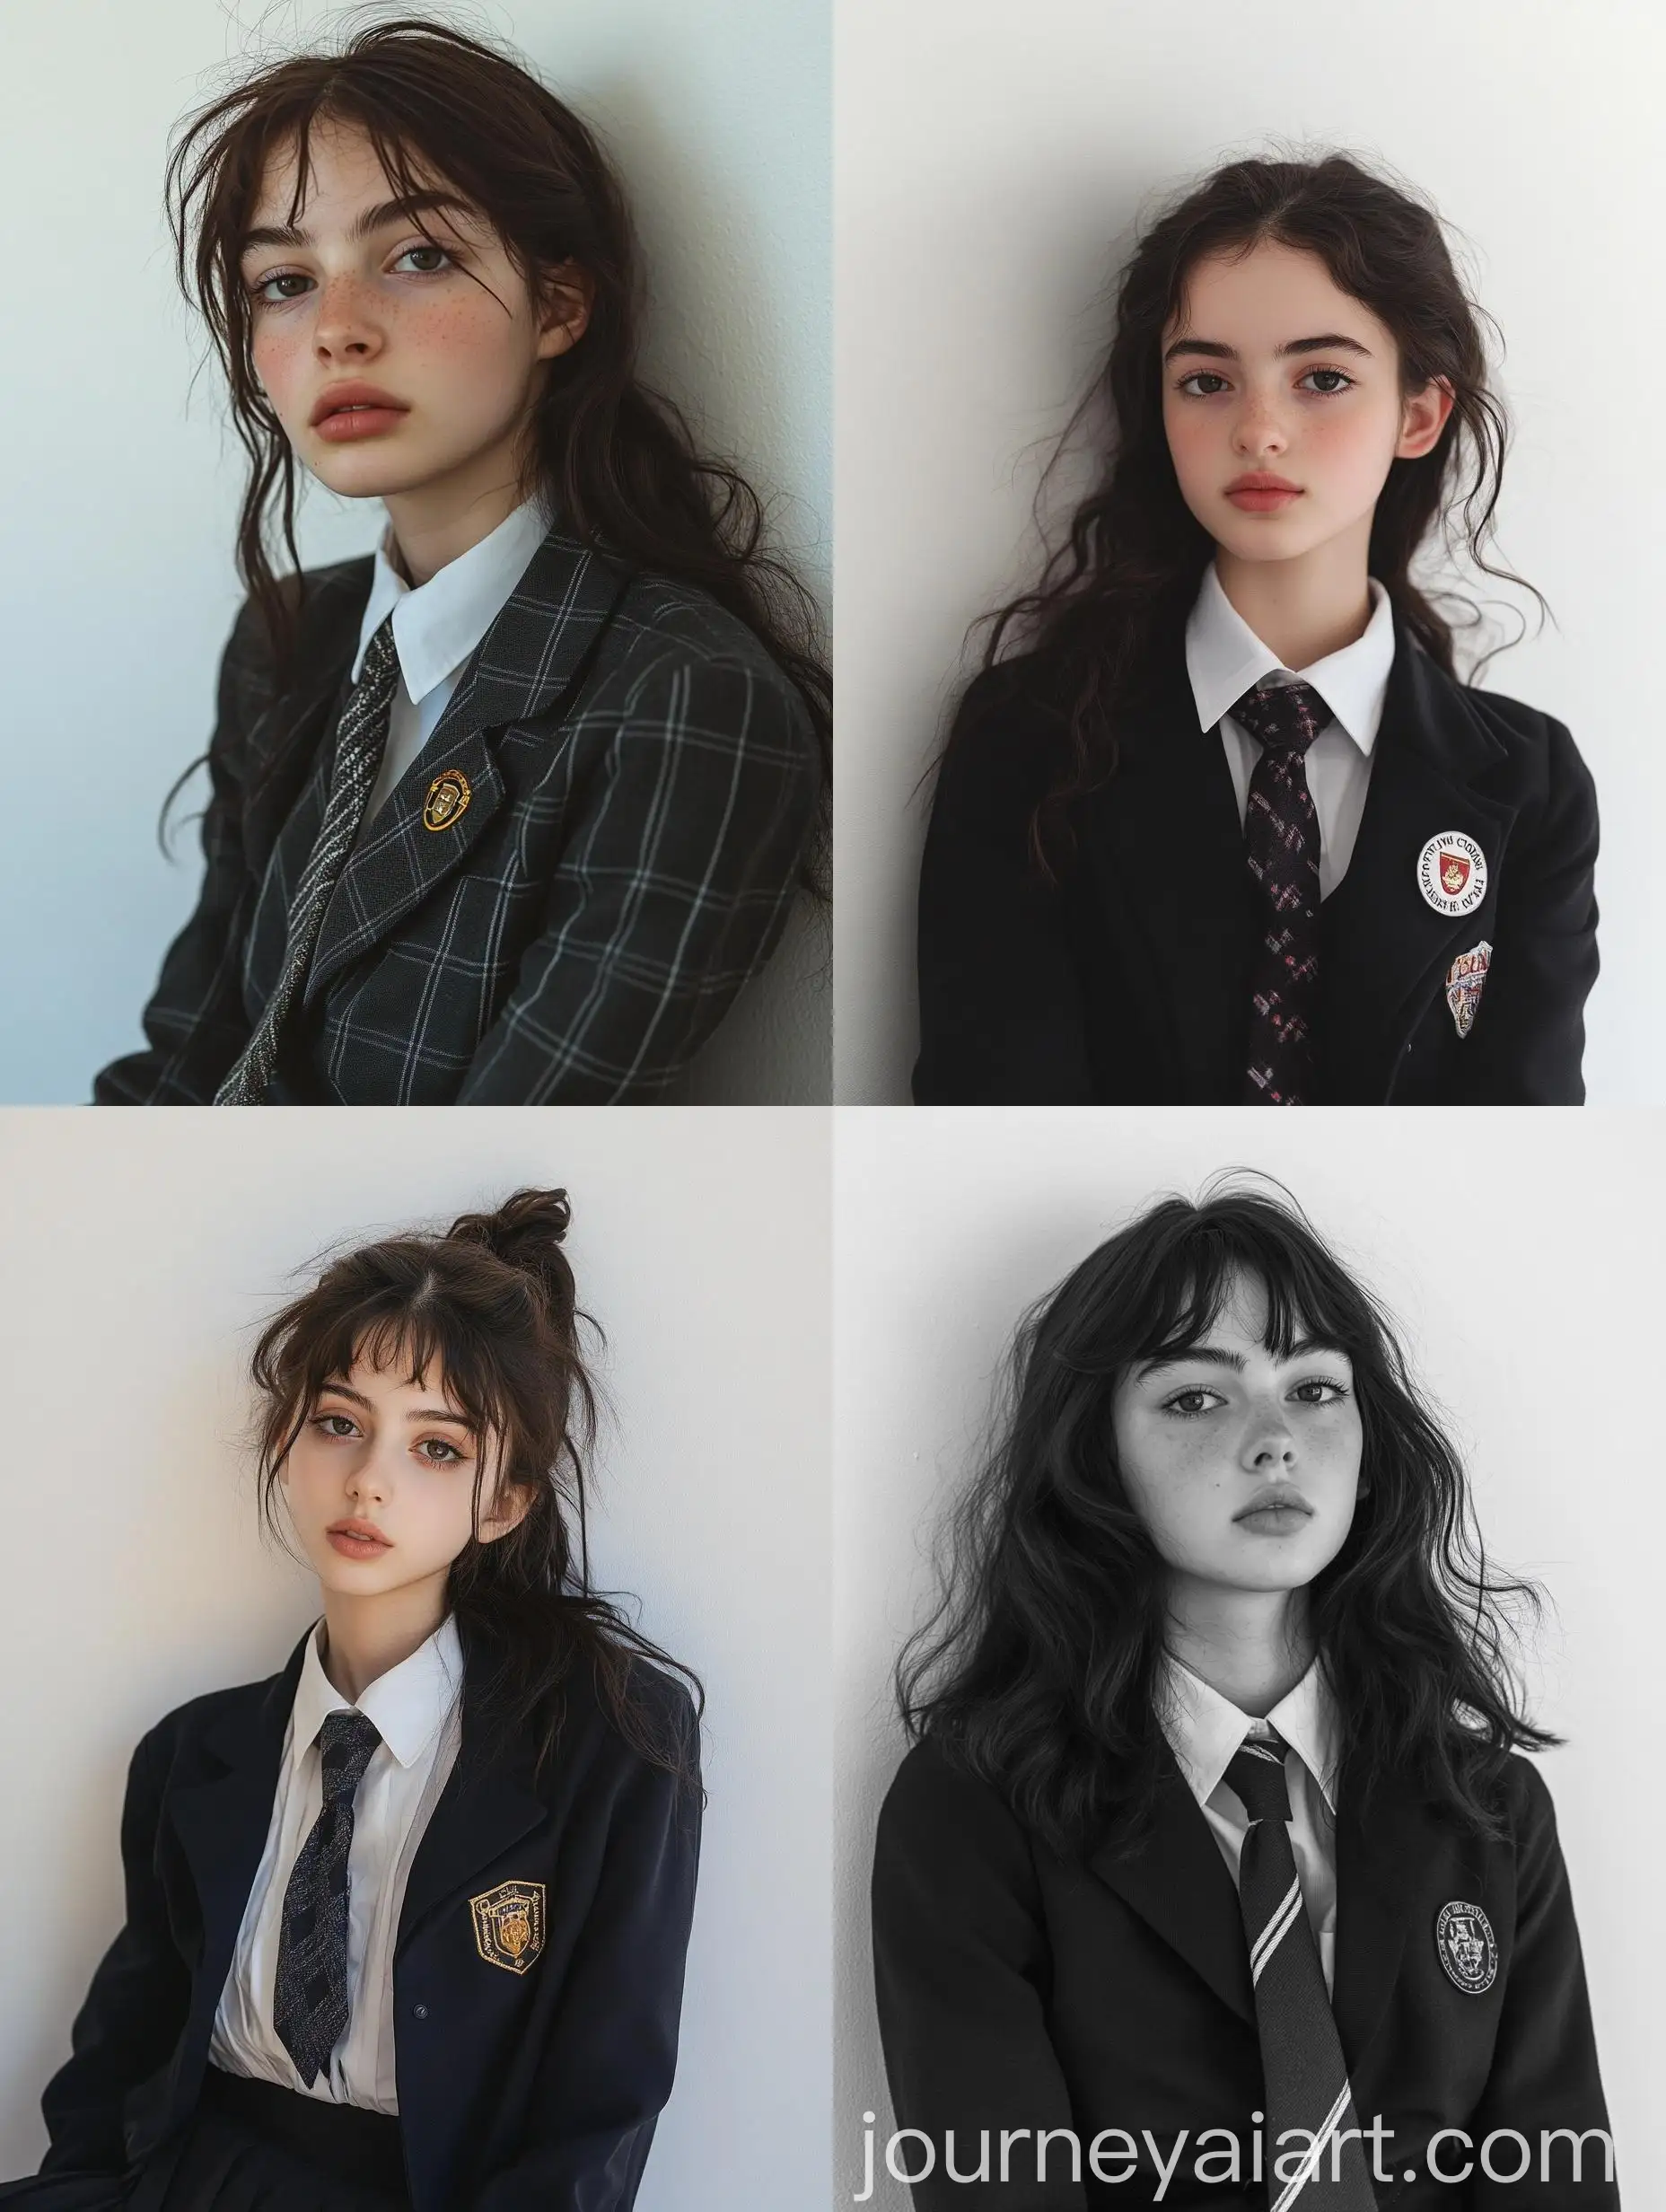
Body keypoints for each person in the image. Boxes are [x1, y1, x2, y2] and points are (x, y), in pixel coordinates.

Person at [93, 16, 829, 1107]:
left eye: (418, 257)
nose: (338, 330)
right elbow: (184, 1059)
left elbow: (510, 1156)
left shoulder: (679, 696)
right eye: (284, 281)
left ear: (559, 303)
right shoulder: (288, 640)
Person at [871, 1186, 1617, 2207]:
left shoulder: (1490, 1806)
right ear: (1096, 1458)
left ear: (1368, 1451)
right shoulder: (973, 1808)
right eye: (1194, 1397)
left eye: (1313, 1388)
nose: (1274, 1441)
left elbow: (1558, 2176)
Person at [0, 1189, 702, 2212]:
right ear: (286, 1440)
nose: (369, 1480)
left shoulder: (613, 1742)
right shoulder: (191, 1752)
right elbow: (121, 2057)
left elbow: (601, 2107)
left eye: (436, 1447)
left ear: (505, 1501)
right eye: (339, 1424)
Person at [913, 153, 1597, 1106]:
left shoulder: (1530, 784)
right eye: (1206, 382)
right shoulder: (1028, 738)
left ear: (1419, 414)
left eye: (1322, 377)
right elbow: (985, 1114)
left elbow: (1526, 1137)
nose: (1259, 430)